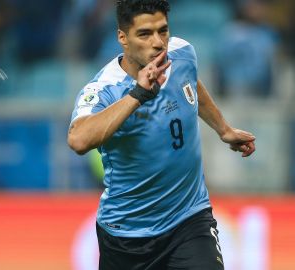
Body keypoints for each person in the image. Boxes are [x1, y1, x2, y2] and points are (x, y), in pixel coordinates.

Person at [67, 1, 256, 269]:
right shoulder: (105, 90)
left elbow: (190, 84)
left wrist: (223, 129)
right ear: (123, 38)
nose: (158, 42)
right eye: (144, 34)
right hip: (127, 236)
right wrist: (137, 95)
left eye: (162, 30)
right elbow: (78, 140)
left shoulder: (182, 54)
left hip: (189, 219)